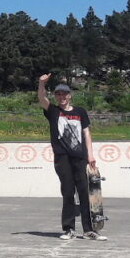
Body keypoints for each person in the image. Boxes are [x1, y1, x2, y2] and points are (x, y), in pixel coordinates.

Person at [38, 72, 103, 241]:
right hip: (62, 158)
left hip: (80, 157)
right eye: (58, 94)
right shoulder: (53, 111)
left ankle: (89, 230)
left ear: (70, 96)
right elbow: (41, 99)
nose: (61, 97)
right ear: (56, 96)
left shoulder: (80, 112)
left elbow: (86, 133)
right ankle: (69, 229)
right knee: (68, 192)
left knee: (84, 193)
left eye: (64, 94)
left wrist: (90, 155)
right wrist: (41, 84)